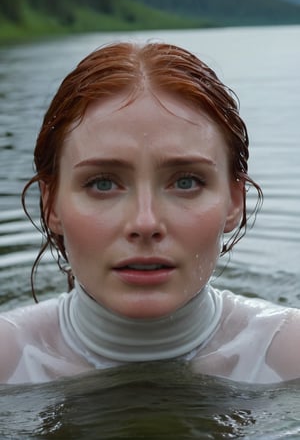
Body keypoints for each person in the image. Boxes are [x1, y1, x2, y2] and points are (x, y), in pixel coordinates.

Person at [0, 41, 299, 385]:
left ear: (235, 201)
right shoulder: (8, 361)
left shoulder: (291, 355)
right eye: (102, 184)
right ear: (50, 204)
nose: (145, 223)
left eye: (186, 181)